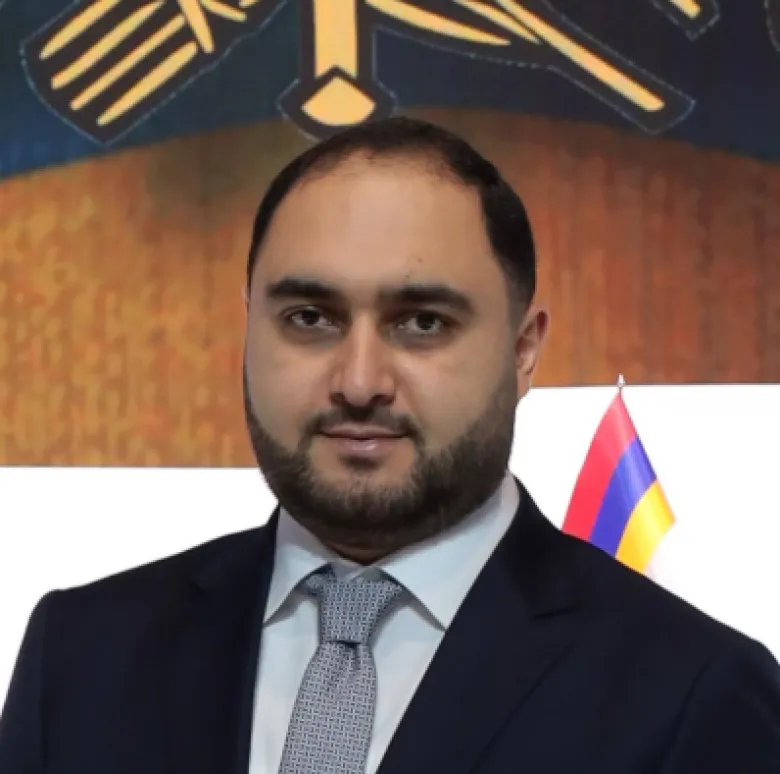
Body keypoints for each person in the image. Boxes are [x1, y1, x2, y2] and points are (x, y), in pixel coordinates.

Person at [1, 116, 779, 774]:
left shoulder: (694, 694)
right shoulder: (80, 653)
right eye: (310, 318)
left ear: (523, 350)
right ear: (248, 326)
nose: (359, 380)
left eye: (422, 323)